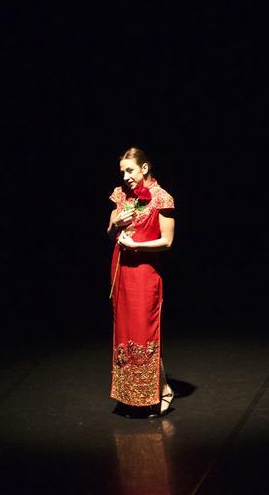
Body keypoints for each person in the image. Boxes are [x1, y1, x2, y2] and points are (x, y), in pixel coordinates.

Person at [107, 147, 176, 418]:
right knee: (124, 332)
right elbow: (109, 232)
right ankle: (129, 398)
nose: (125, 176)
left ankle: (162, 391)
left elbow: (167, 241)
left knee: (144, 333)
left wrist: (138, 244)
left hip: (145, 272)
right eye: (122, 171)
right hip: (121, 269)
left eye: (130, 170)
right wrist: (117, 226)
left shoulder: (162, 198)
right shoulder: (121, 195)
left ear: (144, 169)